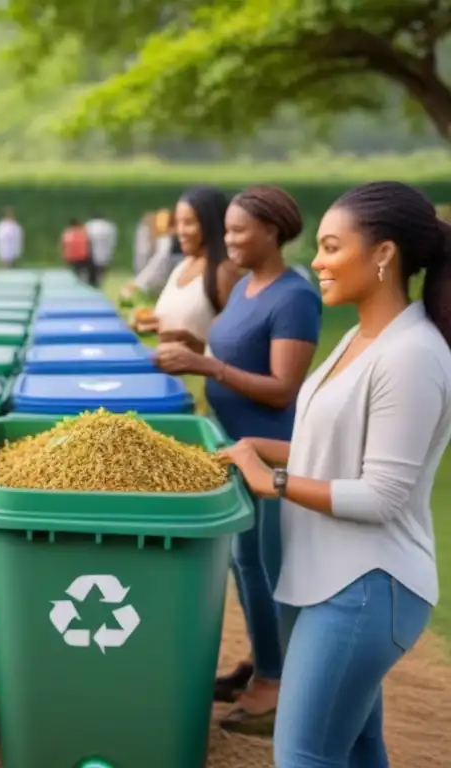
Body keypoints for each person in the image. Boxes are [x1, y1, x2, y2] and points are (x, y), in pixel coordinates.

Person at [220, 181, 451, 767]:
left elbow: (381, 496)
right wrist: (255, 448)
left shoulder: (412, 355)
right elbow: (329, 452)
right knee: (356, 750)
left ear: (383, 254)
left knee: (303, 757)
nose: (316, 261)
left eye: (330, 246)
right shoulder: (360, 336)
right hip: (326, 581)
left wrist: (266, 480)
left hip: (367, 589)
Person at [155, 186, 322, 735]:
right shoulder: (249, 285)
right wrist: (189, 343)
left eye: (237, 231)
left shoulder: (294, 296)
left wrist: (210, 371)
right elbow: (232, 350)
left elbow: (281, 388)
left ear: (272, 230)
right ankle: (264, 664)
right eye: (224, 230)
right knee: (243, 563)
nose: (226, 240)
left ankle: (276, 687)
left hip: (270, 445)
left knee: (266, 566)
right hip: (233, 441)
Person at [138, 187, 240, 351]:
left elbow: (239, 347)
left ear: (209, 224)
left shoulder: (224, 273)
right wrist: (155, 324)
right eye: (178, 223)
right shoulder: (182, 267)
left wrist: (199, 349)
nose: (180, 231)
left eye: (189, 223)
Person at [85, 213, 117, 285]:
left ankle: (92, 284)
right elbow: (113, 242)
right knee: (101, 272)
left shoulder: (89, 225)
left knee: (91, 274)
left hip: (90, 254)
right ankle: (99, 284)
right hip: (105, 254)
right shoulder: (110, 226)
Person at [61, 217, 94, 285]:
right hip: (83, 257)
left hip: (71, 257)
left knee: (73, 272)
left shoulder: (67, 233)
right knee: (83, 272)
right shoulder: (83, 231)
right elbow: (88, 243)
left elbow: (64, 246)